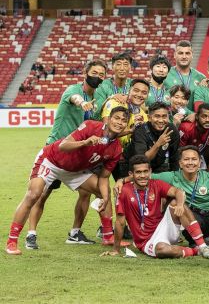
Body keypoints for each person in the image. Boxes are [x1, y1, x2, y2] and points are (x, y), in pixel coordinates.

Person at [6, 108, 130, 255]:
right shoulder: (90, 126)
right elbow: (63, 145)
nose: (120, 122)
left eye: (124, 120)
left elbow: (103, 177)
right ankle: (12, 242)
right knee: (34, 194)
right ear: (109, 119)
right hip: (51, 161)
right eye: (117, 118)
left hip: (75, 171)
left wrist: (104, 197)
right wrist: (85, 142)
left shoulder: (116, 148)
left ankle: (108, 236)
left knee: (104, 192)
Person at [25, 60, 108, 250]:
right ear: (85, 73)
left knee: (85, 193)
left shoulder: (96, 98)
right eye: (94, 72)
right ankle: (31, 234)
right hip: (56, 151)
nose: (98, 76)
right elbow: (75, 99)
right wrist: (83, 103)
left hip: (78, 153)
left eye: (102, 74)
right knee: (42, 194)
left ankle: (75, 233)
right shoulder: (73, 90)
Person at [103, 155, 209, 259]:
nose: (143, 175)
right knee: (162, 249)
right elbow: (120, 223)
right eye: (138, 172)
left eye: (145, 171)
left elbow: (178, 192)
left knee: (176, 202)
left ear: (150, 171)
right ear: (131, 174)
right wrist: (116, 249)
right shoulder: (124, 191)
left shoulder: (157, 184)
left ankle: (203, 246)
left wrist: (180, 204)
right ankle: (196, 251)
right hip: (146, 240)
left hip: (163, 227)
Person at [148, 146, 209, 249]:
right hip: (191, 218)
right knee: (176, 204)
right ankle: (200, 242)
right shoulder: (172, 176)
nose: (190, 162)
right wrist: (123, 180)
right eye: (186, 159)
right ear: (180, 163)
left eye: (194, 159)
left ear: (200, 162)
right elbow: (146, 177)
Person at [100, 79, 150, 180]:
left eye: (144, 93)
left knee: (126, 188)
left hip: (124, 156)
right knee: (96, 188)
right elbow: (105, 134)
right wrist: (130, 130)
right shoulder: (115, 103)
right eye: (136, 90)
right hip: (103, 151)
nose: (139, 95)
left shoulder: (143, 115)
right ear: (129, 90)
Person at [128, 102, 180, 174]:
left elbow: (174, 157)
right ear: (149, 118)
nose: (161, 120)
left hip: (158, 166)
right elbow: (142, 161)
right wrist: (158, 144)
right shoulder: (140, 131)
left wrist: (175, 177)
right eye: (157, 116)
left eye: (164, 116)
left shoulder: (171, 129)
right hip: (133, 167)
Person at [178, 103, 209, 171]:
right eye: (204, 116)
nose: (207, 120)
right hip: (186, 159)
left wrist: (207, 176)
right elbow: (179, 153)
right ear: (197, 117)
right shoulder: (186, 128)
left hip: (204, 157)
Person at [93, 52, 132, 119]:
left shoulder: (134, 85)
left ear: (130, 68)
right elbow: (95, 113)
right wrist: (110, 98)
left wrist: (130, 99)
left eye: (125, 65)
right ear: (112, 67)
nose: (122, 68)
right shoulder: (102, 86)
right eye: (118, 64)